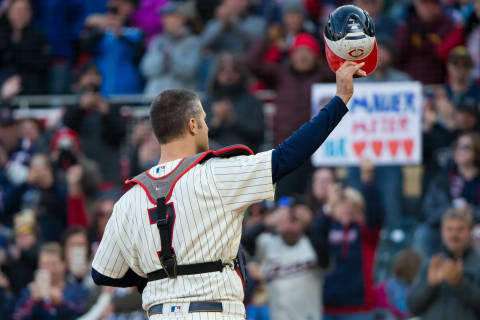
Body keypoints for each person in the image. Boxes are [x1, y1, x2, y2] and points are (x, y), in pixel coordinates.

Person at [91, 60, 367, 319]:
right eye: (204, 120)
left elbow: (104, 274)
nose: (207, 127)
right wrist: (340, 100)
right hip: (214, 310)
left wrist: (159, 272)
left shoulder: (129, 199)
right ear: (192, 125)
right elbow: (288, 155)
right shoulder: (218, 173)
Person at [246, 32, 334, 198]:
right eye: (298, 51)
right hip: (286, 150)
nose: (303, 56)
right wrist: (268, 39)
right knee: (284, 200)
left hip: (315, 151)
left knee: (314, 199)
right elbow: (250, 63)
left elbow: (345, 69)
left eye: (308, 52)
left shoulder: (323, 76)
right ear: (291, 55)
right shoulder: (281, 74)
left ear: (316, 56)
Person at [316, 160, 384, 320]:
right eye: (341, 204)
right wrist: (329, 205)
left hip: (359, 308)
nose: (347, 208)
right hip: (328, 307)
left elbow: (376, 215)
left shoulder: (365, 233)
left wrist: (368, 179)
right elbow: (316, 236)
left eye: (352, 205)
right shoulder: (327, 227)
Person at [242, 200, 328, 320]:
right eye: (284, 220)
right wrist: (266, 222)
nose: (289, 226)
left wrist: (309, 225)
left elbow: (326, 258)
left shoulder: (312, 244)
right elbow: (245, 240)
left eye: (293, 220)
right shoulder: (268, 243)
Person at [407, 206, 480, 320]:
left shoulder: (478, 264)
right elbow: (412, 306)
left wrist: (460, 284)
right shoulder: (431, 264)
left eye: (460, 229)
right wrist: (430, 285)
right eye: (449, 229)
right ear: (442, 231)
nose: (454, 235)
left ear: (470, 231)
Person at [414, 132, 480, 258]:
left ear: (477, 150)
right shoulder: (442, 179)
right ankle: (424, 275)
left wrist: (471, 211)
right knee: (424, 233)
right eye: (457, 146)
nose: (459, 150)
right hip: (445, 227)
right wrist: (450, 209)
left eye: (465, 146)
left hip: (475, 227)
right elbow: (428, 212)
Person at [63, 64, 127, 186]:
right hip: (81, 174)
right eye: (87, 75)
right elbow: (67, 128)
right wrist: (80, 108)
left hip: (109, 174)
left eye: (95, 75)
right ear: (80, 80)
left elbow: (120, 136)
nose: (91, 79)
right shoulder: (73, 108)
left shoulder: (112, 107)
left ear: (101, 79)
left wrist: (106, 114)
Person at [203, 53, 265, 153]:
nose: (229, 75)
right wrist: (216, 122)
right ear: (216, 74)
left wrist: (233, 120)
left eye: (234, 70)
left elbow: (259, 135)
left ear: (241, 74)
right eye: (223, 70)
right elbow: (198, 138)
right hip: (213, 159)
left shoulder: (253, 101)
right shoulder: (207, 102)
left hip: (244, 158)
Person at [82, 0, 144, 96]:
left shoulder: (134, 32)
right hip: (103, 88)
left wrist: (120, 34)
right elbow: (85, 46)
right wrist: (101, 30)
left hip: (129, 88)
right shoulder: (101, 33)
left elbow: (140, 52)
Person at [13, 242, 90, 320]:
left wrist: (60, 304)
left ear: (64, 264)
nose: (49, 269)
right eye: (45, 264)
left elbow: (83, 316)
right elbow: (17, 317)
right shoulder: (29, 292)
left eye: (54, 264)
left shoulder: (79, 291)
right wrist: (34, 303)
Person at [140, 1, 202, 97]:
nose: (165, 21)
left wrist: (170, 58)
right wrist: (164, 60)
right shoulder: (157, 41)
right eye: (164, 17)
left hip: (181, 102)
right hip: (155, 100)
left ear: (182, 18)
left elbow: (190, 71)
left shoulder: (194, 42)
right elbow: (146, 69)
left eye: (171, 17)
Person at [394, 0, 454, 84]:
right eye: (424, 4)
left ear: (438, 6)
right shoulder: (407, 25)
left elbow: (441, 53)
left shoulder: (446, 25)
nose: (428, 8)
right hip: (409, 82)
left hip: (438, 83)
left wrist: (423, 41)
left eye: (431, 4)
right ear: (417, 6)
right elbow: (399, 54)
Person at [0, 0, 50, 98]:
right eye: (17, 10)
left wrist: (19, 80)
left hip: (31, 90)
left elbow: (42, 65)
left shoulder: (38, 37)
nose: (21, 14)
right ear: (9, 12)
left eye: (25, 10)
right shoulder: (2, 35)